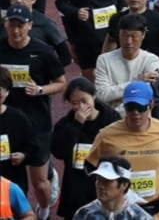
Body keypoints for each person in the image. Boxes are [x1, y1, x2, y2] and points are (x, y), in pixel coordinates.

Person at [1, 4, 66, 220]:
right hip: (6, 122)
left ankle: (44, 211)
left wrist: (40, 90)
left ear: (29, 25)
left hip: (36, 123)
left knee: (39, 182)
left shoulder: (42, 51)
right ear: (6, 24)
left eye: (21, 25)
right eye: (12, 24)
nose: (16, 30)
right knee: (6, 175)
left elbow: (61, 83)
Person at [86, 81, 159, 220]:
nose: (135, 113)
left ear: (151, 105)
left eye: (141, 107)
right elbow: (90, 165)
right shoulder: (106, 135)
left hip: (154, 212)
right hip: (119, 213)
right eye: (130, 107)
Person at [51, 78, 120, 220]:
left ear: (93, 96)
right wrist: (77, 125)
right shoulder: (65, 124)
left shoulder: (111, 119)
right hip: (76, 186)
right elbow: (58, 151)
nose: (81, 106)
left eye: (84, 100)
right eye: (76, 103)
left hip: (105, 184)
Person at [95, 13, 159, 117]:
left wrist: (115, 104)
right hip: (110, 120)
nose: (128, 41)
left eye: (133, 36)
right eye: (124, 35)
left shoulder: (152, 61)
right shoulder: (104, 59)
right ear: (119, 34)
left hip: (139, 117)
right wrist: (137, 81)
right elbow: (102, 95)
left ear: (143, 35)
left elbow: (142, 95)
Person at [5, 0, 71, 66]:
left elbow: (65, 57)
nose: (19, 0)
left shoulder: (46, 24)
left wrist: (47, 73)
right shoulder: (3, 22)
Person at [0, 65, 39, 197]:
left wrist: (23, 155)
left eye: (2, 89)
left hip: (12, 184)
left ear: (7, 92)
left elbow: (33, 148)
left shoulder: (18, 118)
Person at [72, 156, 152, 220]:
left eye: (107, 181)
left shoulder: (139, 216)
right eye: (98, 180)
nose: (100, 186)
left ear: (124, 185)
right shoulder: (84, 214)